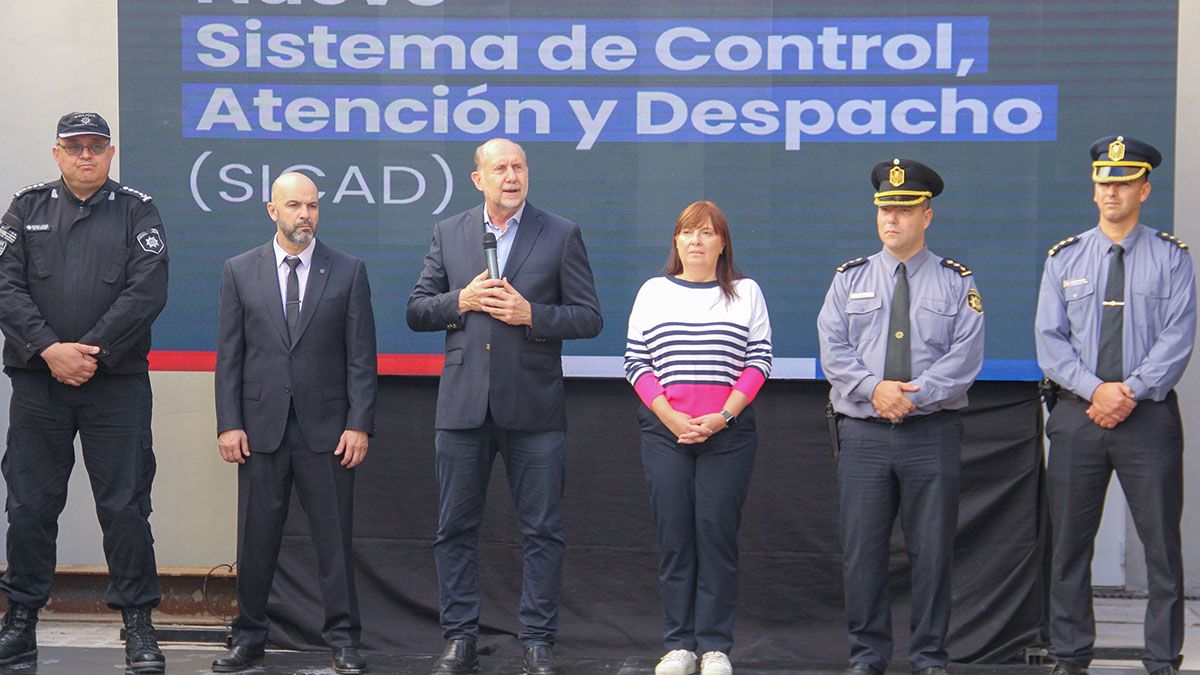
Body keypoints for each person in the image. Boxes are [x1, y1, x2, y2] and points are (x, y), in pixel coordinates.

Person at [407, 138, 602, 675]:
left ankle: (537, 640)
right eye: (499, 168)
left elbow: (588, 317)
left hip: (535, 409)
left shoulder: (560, 233)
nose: (511, 176)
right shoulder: (449, 233)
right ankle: (459, 637)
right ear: (478, 179)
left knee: (542, 529)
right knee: (454, 528)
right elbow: (417, 310)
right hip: (463, 407)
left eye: (518, 167)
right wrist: (462, 301)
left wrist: (530, 314)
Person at [0, 112, 169, 672]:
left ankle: (138, 627)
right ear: (57, 154)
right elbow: (6, 285)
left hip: (114, 387)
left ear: (111, 153)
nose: (86, 156)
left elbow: (146, 292)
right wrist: (50, 350)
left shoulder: (137, 210)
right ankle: (20, 622)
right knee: (29, 506)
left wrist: (87, 353)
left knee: (124, 507)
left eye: (97, 146)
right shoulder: (26, 209)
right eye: (75, 147)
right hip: (39, 383)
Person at [817, 159, 984, 675]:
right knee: (863, 553)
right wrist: (874, 390)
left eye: (905, 209)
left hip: (930, 433)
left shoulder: (958, 281)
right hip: (864, 436)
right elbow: (833, 348)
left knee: (931, 554)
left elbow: (966, 355)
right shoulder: (850, 279)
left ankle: (929, 657)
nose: (892, 219)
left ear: (926, 216)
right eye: (886, 209)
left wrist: (913, 395)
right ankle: (867, 657)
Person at [1035, 135, 1194, 675]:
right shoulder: (1064, 258)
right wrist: (1095, 389)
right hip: (1078, 415)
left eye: (1124, 182)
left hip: (1147, 416)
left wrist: (1127, 391)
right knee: (1068, 548)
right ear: (1094, 188)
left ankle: (1160, 659)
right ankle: (1071, 654)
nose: (1112, 191)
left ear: (1144, 190)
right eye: (1104, 181)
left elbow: (1178, 337)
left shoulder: (1172, 258)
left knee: (1161, 551)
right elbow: (1049, 341)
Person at [212, 172, 377, 674]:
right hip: (260, 430)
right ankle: (249, 639)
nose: (304, 215)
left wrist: (359, 423)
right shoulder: (240, 271)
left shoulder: (348, 271)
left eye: (311, 206)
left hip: (328, 432)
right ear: (272, 210)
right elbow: (230, 357)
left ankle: (344, 641)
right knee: (256, 539)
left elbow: (361, 358)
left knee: (334, 539)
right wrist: (229, 423)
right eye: (293, 206)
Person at [624, 201, 772, 675]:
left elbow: (758, 362)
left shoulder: (746, 293)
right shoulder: (653, 292)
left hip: (727, 436)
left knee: (716, 536)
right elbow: (636, 363)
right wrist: (670, 417)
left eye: (707, 233)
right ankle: (679, 645)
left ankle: (713, 647)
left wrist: (723, 417)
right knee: (675, 539)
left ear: (722, 243)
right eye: (687, 232)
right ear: (676, 241)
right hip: (665, 433)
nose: (696, 241)